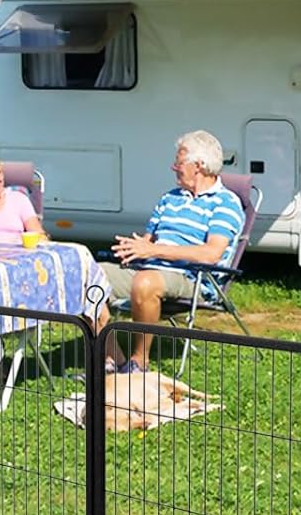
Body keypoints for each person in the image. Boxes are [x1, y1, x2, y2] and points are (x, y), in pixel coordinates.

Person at [100, 129, 245, 372]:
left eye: (179, 163)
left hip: (192, 277)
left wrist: (153, 250)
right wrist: (133, 248)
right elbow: (148, 240)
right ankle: (113, 358)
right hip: (149, 268)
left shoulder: (226, 203)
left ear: (198, 166)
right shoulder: (170, 198)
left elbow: (211, 254)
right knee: (86, 276)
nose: (173, 167)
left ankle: (139, 363)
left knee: (145, 282)